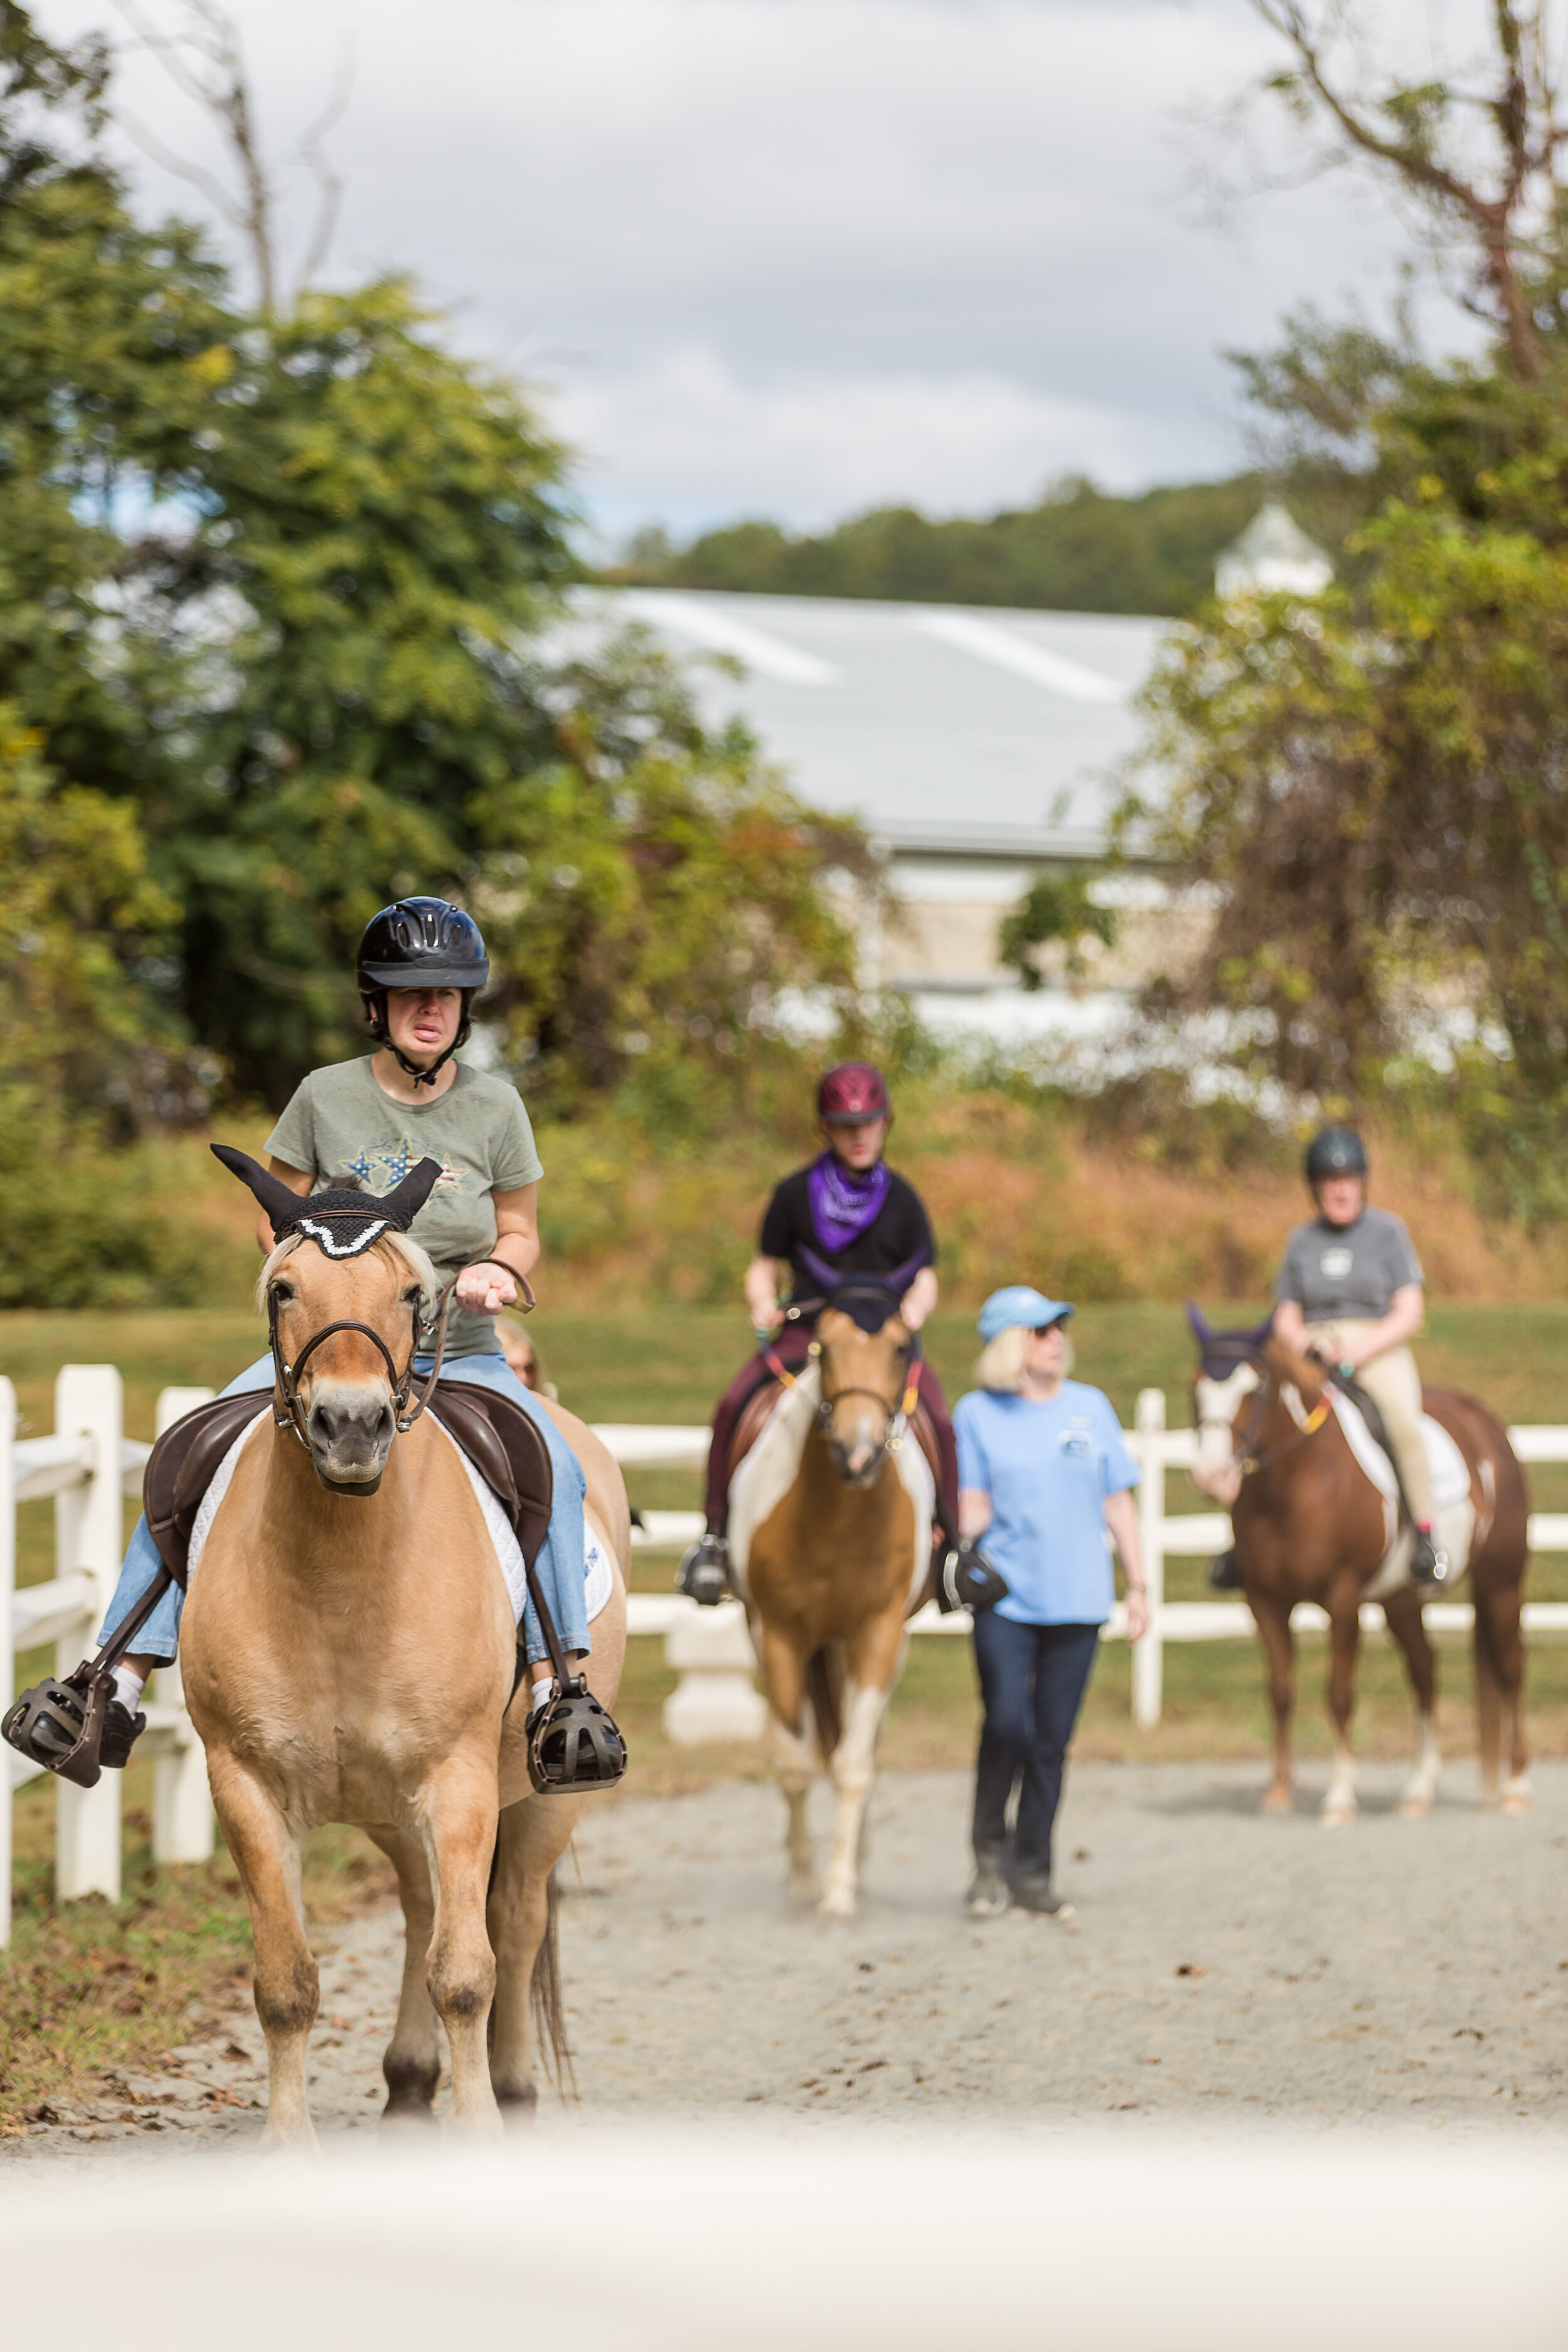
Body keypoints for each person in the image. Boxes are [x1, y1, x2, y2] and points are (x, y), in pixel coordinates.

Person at [93, 894, 619, 1773]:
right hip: (324, 1350)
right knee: (187, 1452)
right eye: (409, 993)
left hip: (463, 1354)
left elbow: (520, 1226)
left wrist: (503, 1269)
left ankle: (561, 1686)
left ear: (465, 1009)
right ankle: (115, 1674)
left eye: (447, 995)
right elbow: (274, 1214)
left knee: (555, 1468)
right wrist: (318, 1270)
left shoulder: (496, 1108)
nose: (429, 1009)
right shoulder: (322, 1096)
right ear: (374, 1005)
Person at [677, 1061, 958, 1604]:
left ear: (885, 1124)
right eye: (846, 1125)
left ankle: (954, 1553)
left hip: (882, 1337)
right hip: (807, 1330)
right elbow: (765, 1263)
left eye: (870, 1123)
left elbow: (923, 1274)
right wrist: (762, 1300)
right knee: (733, 1403)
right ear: (826, 1128)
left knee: (940, 1417)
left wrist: (916, 1310)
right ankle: (713, 1539)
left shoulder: (904, 1199)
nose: (859, 1135)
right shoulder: (792, 1194)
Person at [954, 1286, 1147, 1921]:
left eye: (1059, 1326)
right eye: (1041, 1330)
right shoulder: (976, 1414)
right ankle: (987, 1857)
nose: (1057, 1337)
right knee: (1007, 1723)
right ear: (1010, 1342)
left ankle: (1031, 1871)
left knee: (1050, 1742)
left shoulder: (1090, 1407)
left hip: (1080, 1600)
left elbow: (1117, 1502)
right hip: (1005, 1599)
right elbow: (972, 1507)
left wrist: (1138, 1584)